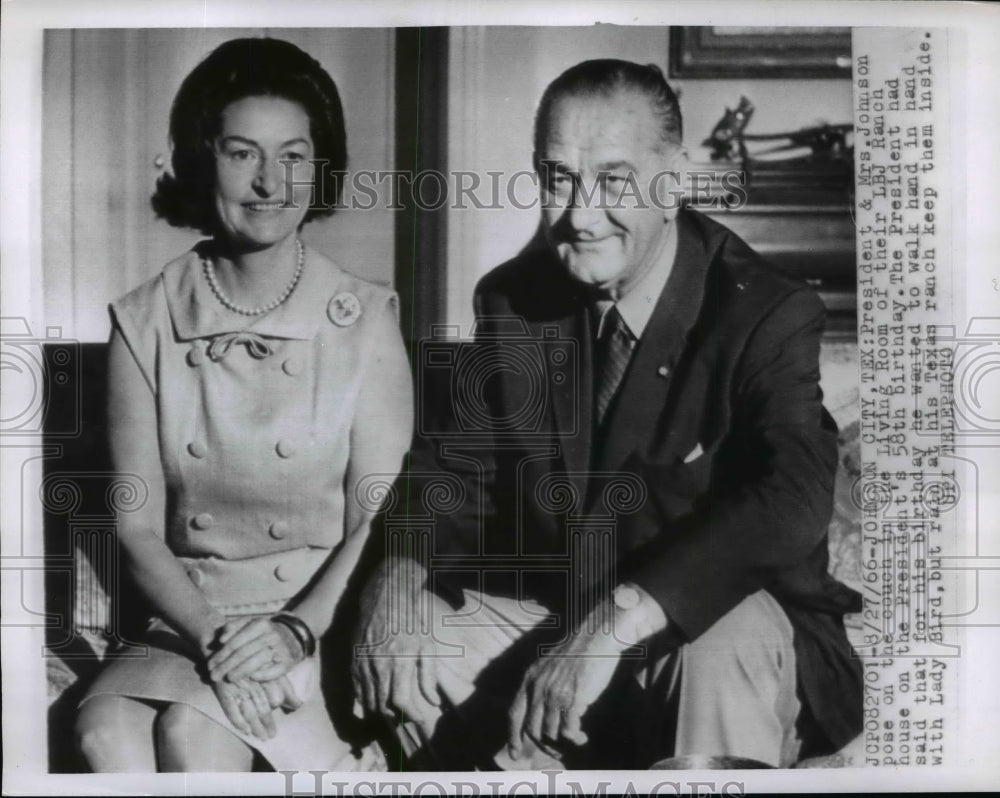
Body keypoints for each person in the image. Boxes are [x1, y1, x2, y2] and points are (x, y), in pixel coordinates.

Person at [352, 59, 862, 770]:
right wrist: (400, 576)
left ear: (673, 178)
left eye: (614, 180)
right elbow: (454, 467)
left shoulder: (765, 310)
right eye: (558, 178)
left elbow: (794, 497)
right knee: (418, 638)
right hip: (566, 620)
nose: (581, 215)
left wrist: (614, 625)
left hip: (719, 627)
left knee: (721, 645)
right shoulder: (513, 298)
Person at [75, 37, 412, 772]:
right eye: (241, 153)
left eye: (293, 156)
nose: (270, 182)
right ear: (204, 161)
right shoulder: (144, 319)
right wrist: (213, 636)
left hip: (313, 619)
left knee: (191, 736)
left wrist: (293, 631)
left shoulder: (366, 319)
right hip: (185, 619)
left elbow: (378, 520)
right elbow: (134, 527)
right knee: (107, 734)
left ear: (319, 167)